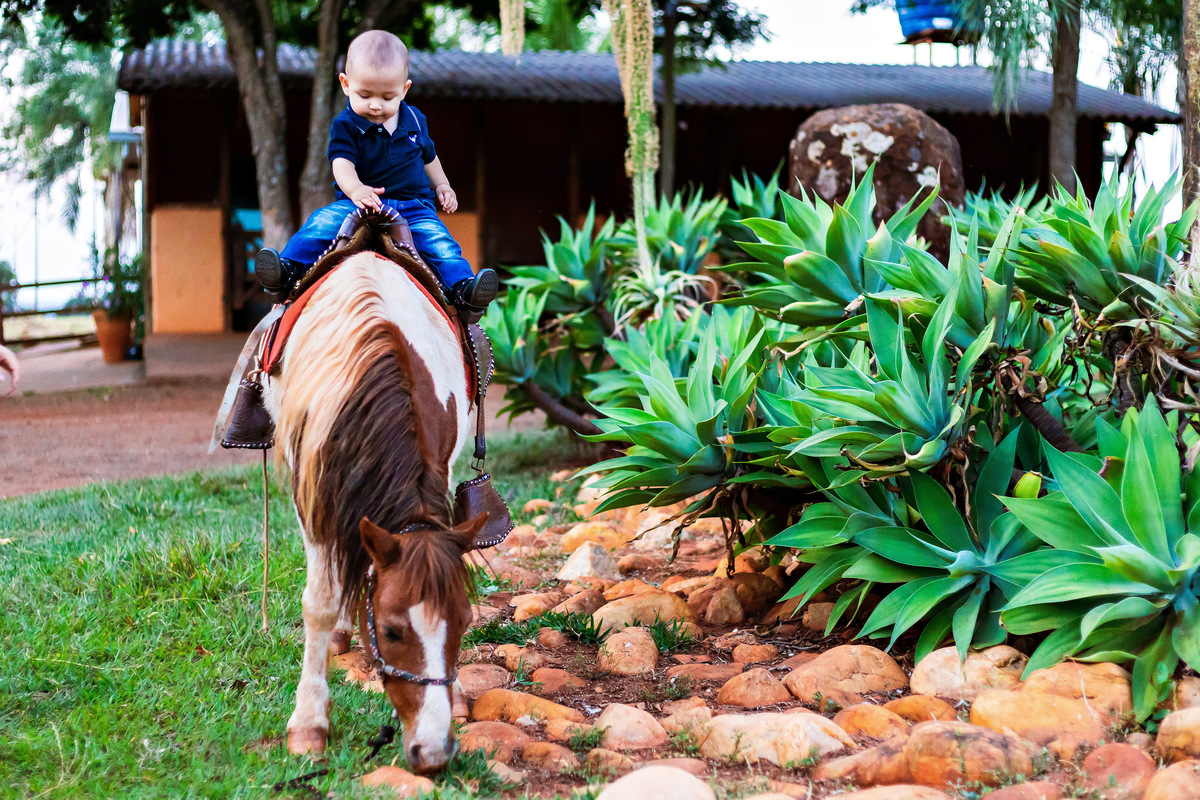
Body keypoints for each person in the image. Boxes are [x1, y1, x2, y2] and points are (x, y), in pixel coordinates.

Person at [254, 30, 498, 323]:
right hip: (358, 203)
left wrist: (443, 185)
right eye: (365, 94)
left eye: (387, 96)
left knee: (439, 242)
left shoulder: (415, 120)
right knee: (321, 224)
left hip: (414, 207)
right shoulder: (346, 125)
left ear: (404, 89)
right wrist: (356, 189)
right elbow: (341, 163)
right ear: (345, 84)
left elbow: (429, 157)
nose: (375, 105)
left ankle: (464, 291)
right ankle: (286, 271)